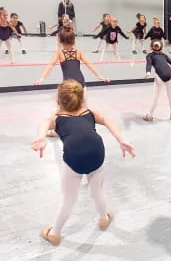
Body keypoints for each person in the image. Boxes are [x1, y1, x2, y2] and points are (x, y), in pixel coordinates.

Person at [31, 79, 135, 246]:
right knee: (97, 191)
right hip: (97, 153)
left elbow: (44, 124)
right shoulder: (90, 112)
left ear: (58, 100)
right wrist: (121, 139)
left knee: (69, 199)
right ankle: (103, 218)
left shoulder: (57, 118)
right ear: (82, 98)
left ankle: (55, 233)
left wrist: (41, 137)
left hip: (75, 158)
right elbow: (107, 120)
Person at [34, 27, 109, 87]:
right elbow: (89, 65)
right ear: (74, 41)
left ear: (60, 41)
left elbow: (50, 66)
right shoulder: (78, 52)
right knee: (82, 105)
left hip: (68, 84)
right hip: (80, 82)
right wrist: (99, 76)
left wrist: (42, 78)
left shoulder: (59, 53)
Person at [144, 40, 171, 121]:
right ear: (161, 48)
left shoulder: (149, 55)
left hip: (160, 76)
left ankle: (150, 115)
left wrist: (148, 72)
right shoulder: (164, 55)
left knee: (155, 97)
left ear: (151, 47)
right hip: (169, 75)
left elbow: (149, 64)